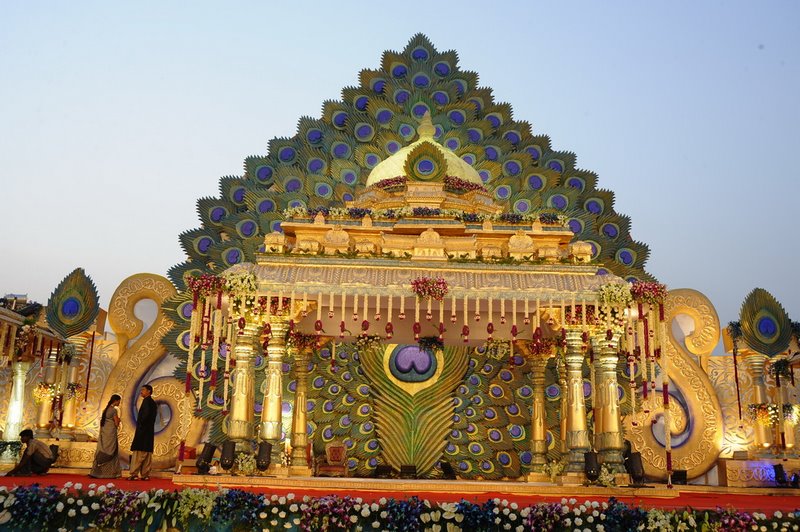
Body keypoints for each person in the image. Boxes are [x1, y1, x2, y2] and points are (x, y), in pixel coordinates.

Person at [89, 394, 122, 478]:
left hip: (104, 433)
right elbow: (116, 423)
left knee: (103, 449)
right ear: (116, 401)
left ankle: (97, 472)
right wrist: (119, 420)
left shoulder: (105, 409)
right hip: (111, 433)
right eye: (119, 401)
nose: (119, 403)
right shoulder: (113, 410)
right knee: (112, 450)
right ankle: (110, 473)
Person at [128, 384, 157, 480]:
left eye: (143, 390)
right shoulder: (152, 402)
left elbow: (144, 417)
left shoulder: (147, 402)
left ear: (149, 391)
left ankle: (134, 474)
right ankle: (145, 475)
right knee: (147, 454)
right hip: (149, 432)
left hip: (143, 432)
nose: (141, 392)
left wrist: (140, 427)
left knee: (138, 454)